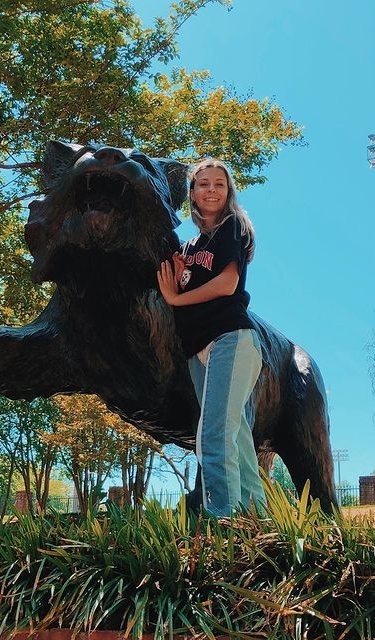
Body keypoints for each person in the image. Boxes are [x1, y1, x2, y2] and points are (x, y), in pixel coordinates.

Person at [157, 159, 266, 518]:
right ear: (192, 192)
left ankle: (223, 523)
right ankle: (259, 522)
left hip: (230, 339)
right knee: (236, 438)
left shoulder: (231, 226)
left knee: (213, 437)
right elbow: (176, 278)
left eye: (219, 184)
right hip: (197, 349)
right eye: (203, 184)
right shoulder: (190, 247)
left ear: (228, 191)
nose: (212, 190)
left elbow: (227, 284)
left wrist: (176, 298)